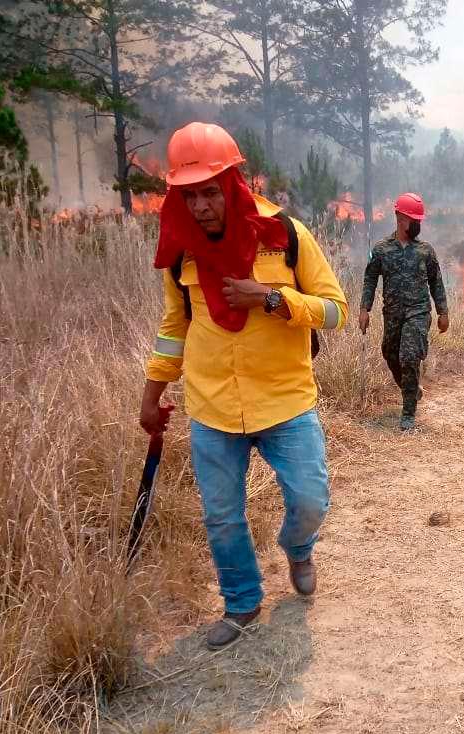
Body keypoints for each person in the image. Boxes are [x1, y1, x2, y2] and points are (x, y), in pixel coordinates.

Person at [140, 122, 348, 650]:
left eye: (211, 191)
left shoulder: (287, 237)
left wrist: (273, 299)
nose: (202, 206)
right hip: (212, 405)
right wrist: (152, 393)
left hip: (285, 402)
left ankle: (298, 548)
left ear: (234, 183)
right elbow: (174, 328)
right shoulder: (181, 251)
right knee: (222, 515)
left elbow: (334, 311)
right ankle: (241, 603)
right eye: (190, 196)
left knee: (310, 499)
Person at [360, 193, 450, 431]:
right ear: (400, 217)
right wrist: (364, 309)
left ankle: (408, 413)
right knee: (389, 352)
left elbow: (436, 283)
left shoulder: (426, 251)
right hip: (392, 313)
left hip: (419, 312)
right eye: (413, 220)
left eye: (420, 220)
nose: (418, 225)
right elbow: (370, 280)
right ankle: (412, 389)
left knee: (409, 357)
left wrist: (443, 312)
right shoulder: (381, 250)